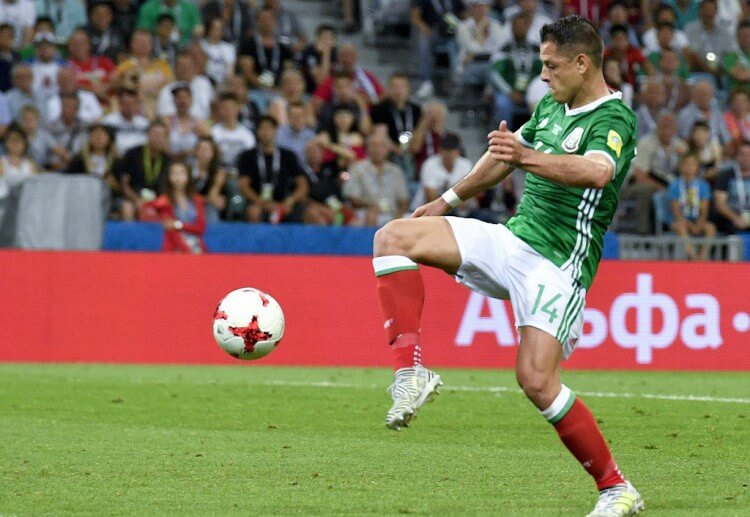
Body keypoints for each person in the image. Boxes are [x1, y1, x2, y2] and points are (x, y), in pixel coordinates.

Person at [369, 15, 643, 516]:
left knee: (535, 379)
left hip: (558, 266)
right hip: (513, 241)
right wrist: (447, 200)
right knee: (393, 237)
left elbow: (597, 172)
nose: (543, 75)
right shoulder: (551, 105)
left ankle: (616, 488)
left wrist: (525, 157)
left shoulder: (614, 119)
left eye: (551, 65)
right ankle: (410, 373)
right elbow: (501, 157)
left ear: (583, 64)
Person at [236, 115, 309, 224]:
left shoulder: (288, 155)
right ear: (257, 132)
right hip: (258, 201)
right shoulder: (248, 155)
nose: (266, 132)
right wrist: (261, 202)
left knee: (309, 214)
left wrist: (290, 201)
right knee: (253, 212)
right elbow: (243, 185)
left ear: (276, 131)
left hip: (285, 201)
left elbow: (302, 185)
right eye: (262, 128)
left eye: (269, 128)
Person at [343, 131, 409, 226]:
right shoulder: (357, 169)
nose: (377, 150)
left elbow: (404, 201)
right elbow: (352, 198)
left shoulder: (396, 171)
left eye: (382, 146)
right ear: (367, 148)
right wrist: (372, 207)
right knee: (366, 217)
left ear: (387, 149)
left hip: (392, 213)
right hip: (365, 211)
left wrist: (398, 216)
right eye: (373, 145)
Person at [141, 161, 207, 253]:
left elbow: (200, 228)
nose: (178, 176)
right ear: (169, 177)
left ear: (188, 176)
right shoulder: (163, 201)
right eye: (174, 173)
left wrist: (177, 224)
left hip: (196, 246)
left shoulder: (197, 200)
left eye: (181, 172)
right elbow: (170, 229)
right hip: (175, 248)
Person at [116, 120, 171, 220]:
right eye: (155, 134)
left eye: (162, 135)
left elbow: (169, 187)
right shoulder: (133, 154)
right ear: (148, 135)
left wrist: (157, 203)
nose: (158, 138)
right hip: (133, 198)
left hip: (158, 200)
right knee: (127, 208)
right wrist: (136, 200)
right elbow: (124, 184)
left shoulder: (167, 159)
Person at [668, 153, 716, 259]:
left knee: (710, 228)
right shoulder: (674, 185)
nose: (689, 167)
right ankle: (693, 257)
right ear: (681, 167)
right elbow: (676, 212)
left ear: (697, 167)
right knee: (681, 227)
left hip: (697, 220)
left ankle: (702, 258)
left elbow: (704, 210)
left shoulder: (703, 185)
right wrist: (690, 225)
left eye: (692, 164)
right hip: (680, 221)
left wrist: (698, 225)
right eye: (686, 164)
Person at [64, 123, 120, 195]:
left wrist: (114, 184)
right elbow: (69, 179)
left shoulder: (116, 161)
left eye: (102, 136)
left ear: (109, 139)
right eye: (95, 135)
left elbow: (121, 187)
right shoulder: (80, 159)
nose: (98, 138)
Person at [713, 140, 750, 234]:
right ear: (737, 156)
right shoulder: (726, 175)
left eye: (749, 155)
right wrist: (735, 218)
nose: (746, 158)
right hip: (731, 216)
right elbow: (720, 204)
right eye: (743, 154)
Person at [191, 136, 226, 222]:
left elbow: (212, 196)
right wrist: (206, 199)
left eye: (207, 150)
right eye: (201, 149)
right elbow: (185, 195)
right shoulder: (188, 169)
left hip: (207, 206)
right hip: (189, 204)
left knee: (211, 209)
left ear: (213, 153)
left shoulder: (219, 172)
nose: (204, 153)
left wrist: (209, 199)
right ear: (196, 151)